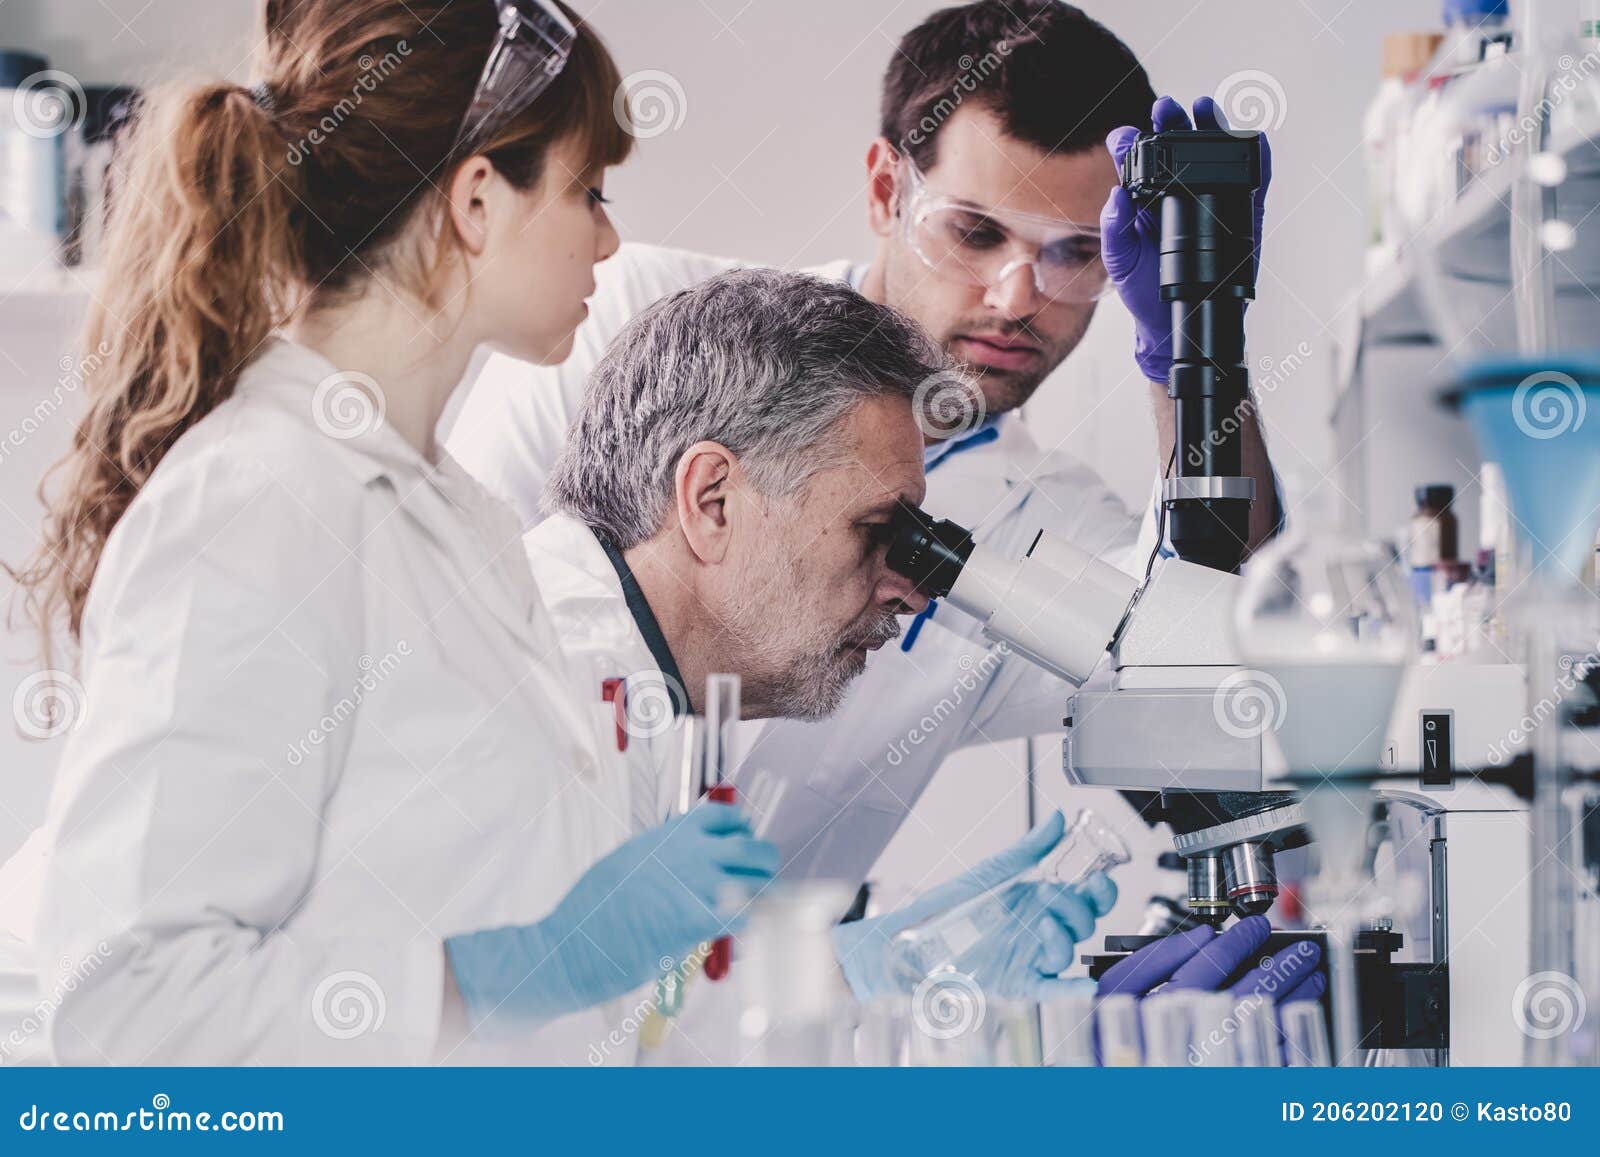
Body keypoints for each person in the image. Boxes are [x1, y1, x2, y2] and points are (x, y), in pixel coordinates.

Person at [6, 0, 776, 1065]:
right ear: (475, 200)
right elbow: (132, 1000)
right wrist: (514, 967)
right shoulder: (255, 502)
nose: (607, 235)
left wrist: (827, 964)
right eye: (585, 190)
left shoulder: (456, 513)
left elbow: (481, 928)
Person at [445, 0, 1283, 886]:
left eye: (1077, 253)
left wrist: (1200, 344)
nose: (1016, 296)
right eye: (975, 231)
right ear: (888, 189)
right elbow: (453, 622)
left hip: (751, 999)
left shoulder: (1045, 517)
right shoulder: (633, 323)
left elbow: (1214, 642)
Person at [533, 267, 1118, 1060]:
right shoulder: (549, 707)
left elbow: (642, 1022)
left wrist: (845, 980)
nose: (909, 593)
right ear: (713, 501)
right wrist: (847, 987)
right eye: (877, 529)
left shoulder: (644, 693)